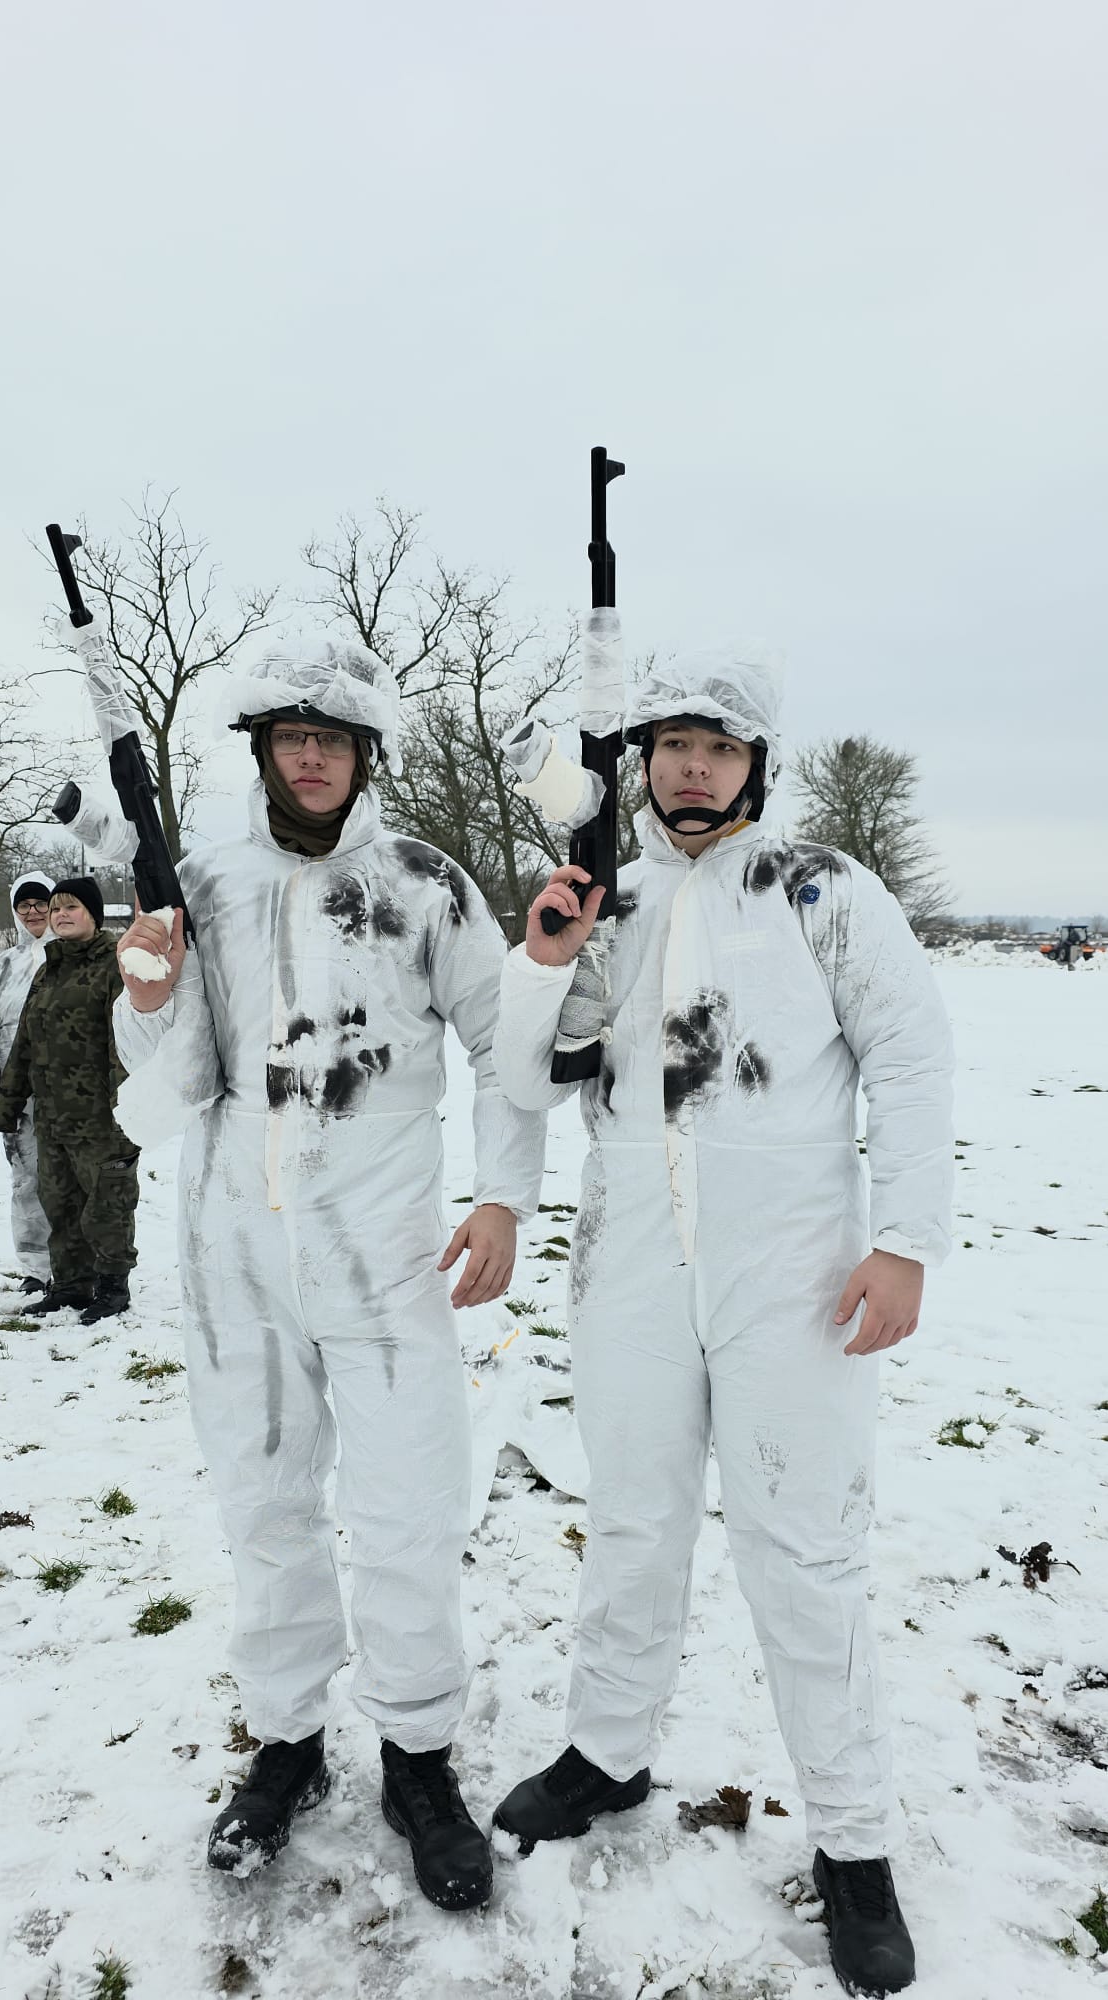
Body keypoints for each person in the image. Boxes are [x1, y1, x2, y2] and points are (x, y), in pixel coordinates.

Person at [490, 653, 954, 1998]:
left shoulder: (819, 888)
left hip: (792, 1275)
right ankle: (607, 1751)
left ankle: (852, 1839)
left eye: (720, 745)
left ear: (756, 763)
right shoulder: (603, 897)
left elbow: (910, 1054)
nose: (693, 767)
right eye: (672, 745)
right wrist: (544, 956)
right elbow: (523, 1072)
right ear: (639, 762)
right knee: (632, 1522)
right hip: (632, 1262)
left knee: (801, 1550)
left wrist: (904, 1239)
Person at [110, 637, 545, 1910]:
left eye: (333, 738)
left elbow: (505, 1041)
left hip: (384, 1251)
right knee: (265, 1501)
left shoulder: (424, 881)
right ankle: (287, 1741)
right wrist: (148, 992)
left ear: (365, 755)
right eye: (291, 735)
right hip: (234, 1249)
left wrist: (503, 1195)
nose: (311, 756)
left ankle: (418, 1754)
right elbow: (162, 1083)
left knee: (409, 1504)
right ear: (261, 749)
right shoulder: (205, 883)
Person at [0, 877, 140, 1326]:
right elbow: (25, 1044)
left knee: (107, 1205)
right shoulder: (48, 968)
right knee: (59, 1204)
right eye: (55, 909)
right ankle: (71, 1285)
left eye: (70, 907)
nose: (59, 915)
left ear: (93, 914)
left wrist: (125, 1111)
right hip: (52, 1117)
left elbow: (124, 1044)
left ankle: (112, 1287)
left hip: (101, 1117)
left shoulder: (116, 964)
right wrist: (8, 1103)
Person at [0, 874, 54, 1292]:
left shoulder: (74, 957)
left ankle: (79, 1265)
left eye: (41, 902)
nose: (33, 911)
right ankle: (36, 1267)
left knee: (74, 1174)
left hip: (70, 1085)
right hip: (16, 1088)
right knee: (27, 1177)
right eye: (24, 905)